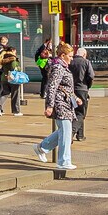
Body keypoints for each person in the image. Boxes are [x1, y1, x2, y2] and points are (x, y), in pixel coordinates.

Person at [34, 40, 78, 172]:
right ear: (63, 55)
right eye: (70, 56)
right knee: (66, 132)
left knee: (64, 131)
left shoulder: (62, 66)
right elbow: (52, 87)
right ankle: (64, 161)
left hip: (65, 102)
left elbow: (65, 87)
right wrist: (49, 106)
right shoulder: (58, 68)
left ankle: (41, 147)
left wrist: (76, 98)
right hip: (60, 104)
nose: (71, 59)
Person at [68, 43, 95, 142]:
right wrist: (88, 86)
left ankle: (80, 135)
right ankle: (71, 133)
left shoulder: (71, 61)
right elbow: (91, 76)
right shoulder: (86, 62)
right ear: (84, 55)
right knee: (81, 113)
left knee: (76, 111)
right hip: (82, 90)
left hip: (72, 90)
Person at [0, 42, 24, 115]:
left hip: (4, 78)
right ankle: (16, 111)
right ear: (13, 51)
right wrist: (19, 68)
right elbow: (14, 68)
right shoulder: (13, 59)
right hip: (13, 79)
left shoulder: (3, 58)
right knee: (15, 94)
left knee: (5, 93)